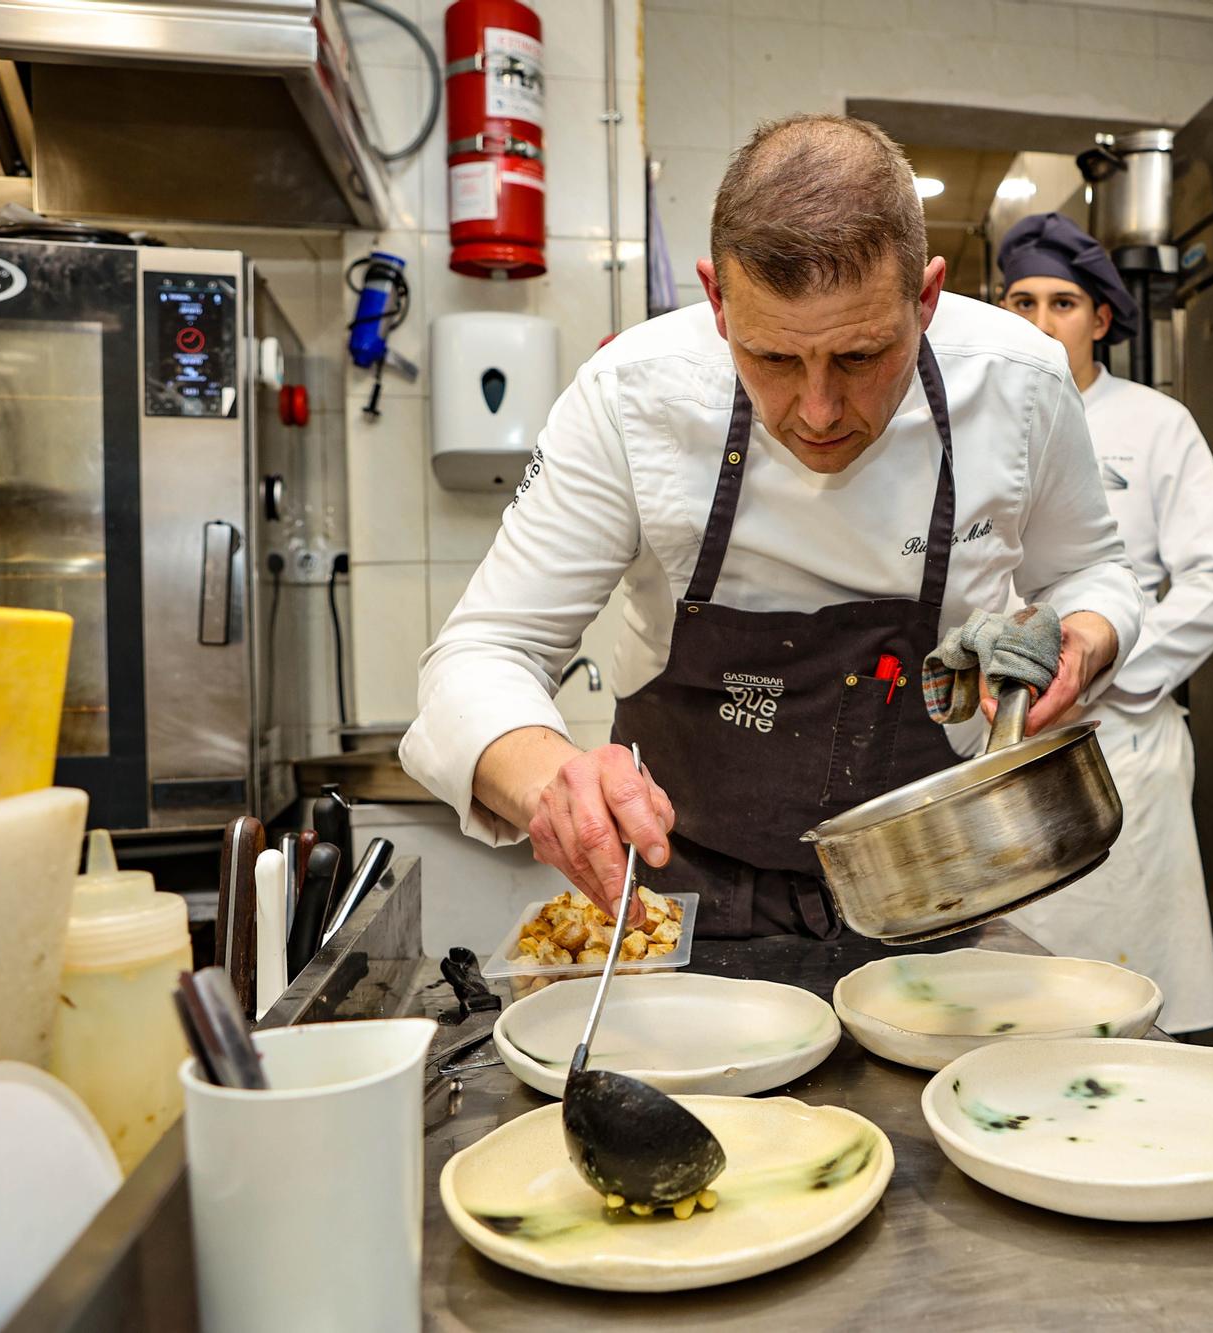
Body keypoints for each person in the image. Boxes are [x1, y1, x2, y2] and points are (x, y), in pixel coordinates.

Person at [401, 116, 1142, 941]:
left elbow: (1093, 572)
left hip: (939, 894)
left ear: (926, 298)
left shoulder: (1021, 383)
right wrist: (552, 777)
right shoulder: (630, 397)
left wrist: (1079, 637)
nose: (818, 411)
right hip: (670, 904)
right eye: (775, 360)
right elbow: (483, 650)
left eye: (860, 357)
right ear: (717, 301)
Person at [994, 214, 1213, 1034]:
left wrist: (1113, 670)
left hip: (1124, 746)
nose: (1039, 322)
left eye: (1062, 303)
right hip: (1007, 743)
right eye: (1021, 301)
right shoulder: (978, 424)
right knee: (1018, 1004)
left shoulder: (1155, 424)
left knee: (1134, 1004)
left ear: (1100, 318)